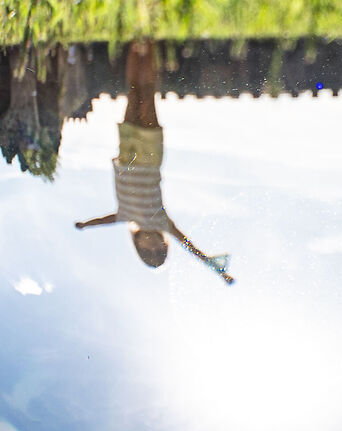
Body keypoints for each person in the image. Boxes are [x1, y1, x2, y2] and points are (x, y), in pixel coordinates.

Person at [74, 39, 235, 282]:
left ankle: (134, 45)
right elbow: (189, 246)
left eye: (146, 252)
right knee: (147, 95)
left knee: (133, 93)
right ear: (163, 244)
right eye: (157, 251)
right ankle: (146, 44)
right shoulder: (162, 223)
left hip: (126, 156)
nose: (150, 247)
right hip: (149, 158)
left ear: (138, 246)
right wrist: (218, 271)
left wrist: (86, 225)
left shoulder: (125, 216)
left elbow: (103, 221)